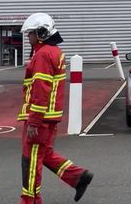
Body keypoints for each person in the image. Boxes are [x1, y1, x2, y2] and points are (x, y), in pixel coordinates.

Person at [18, 13, 93, 203]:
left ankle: (31, 200)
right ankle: (78, 177)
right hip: (48, 117)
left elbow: (41, 90)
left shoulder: (43, 54)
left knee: (31, 161)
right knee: (45, 154)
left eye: (31, 34)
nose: (28, 37)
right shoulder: (53, 51)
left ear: (41, 33)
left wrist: (34, 121)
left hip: (40, 119)